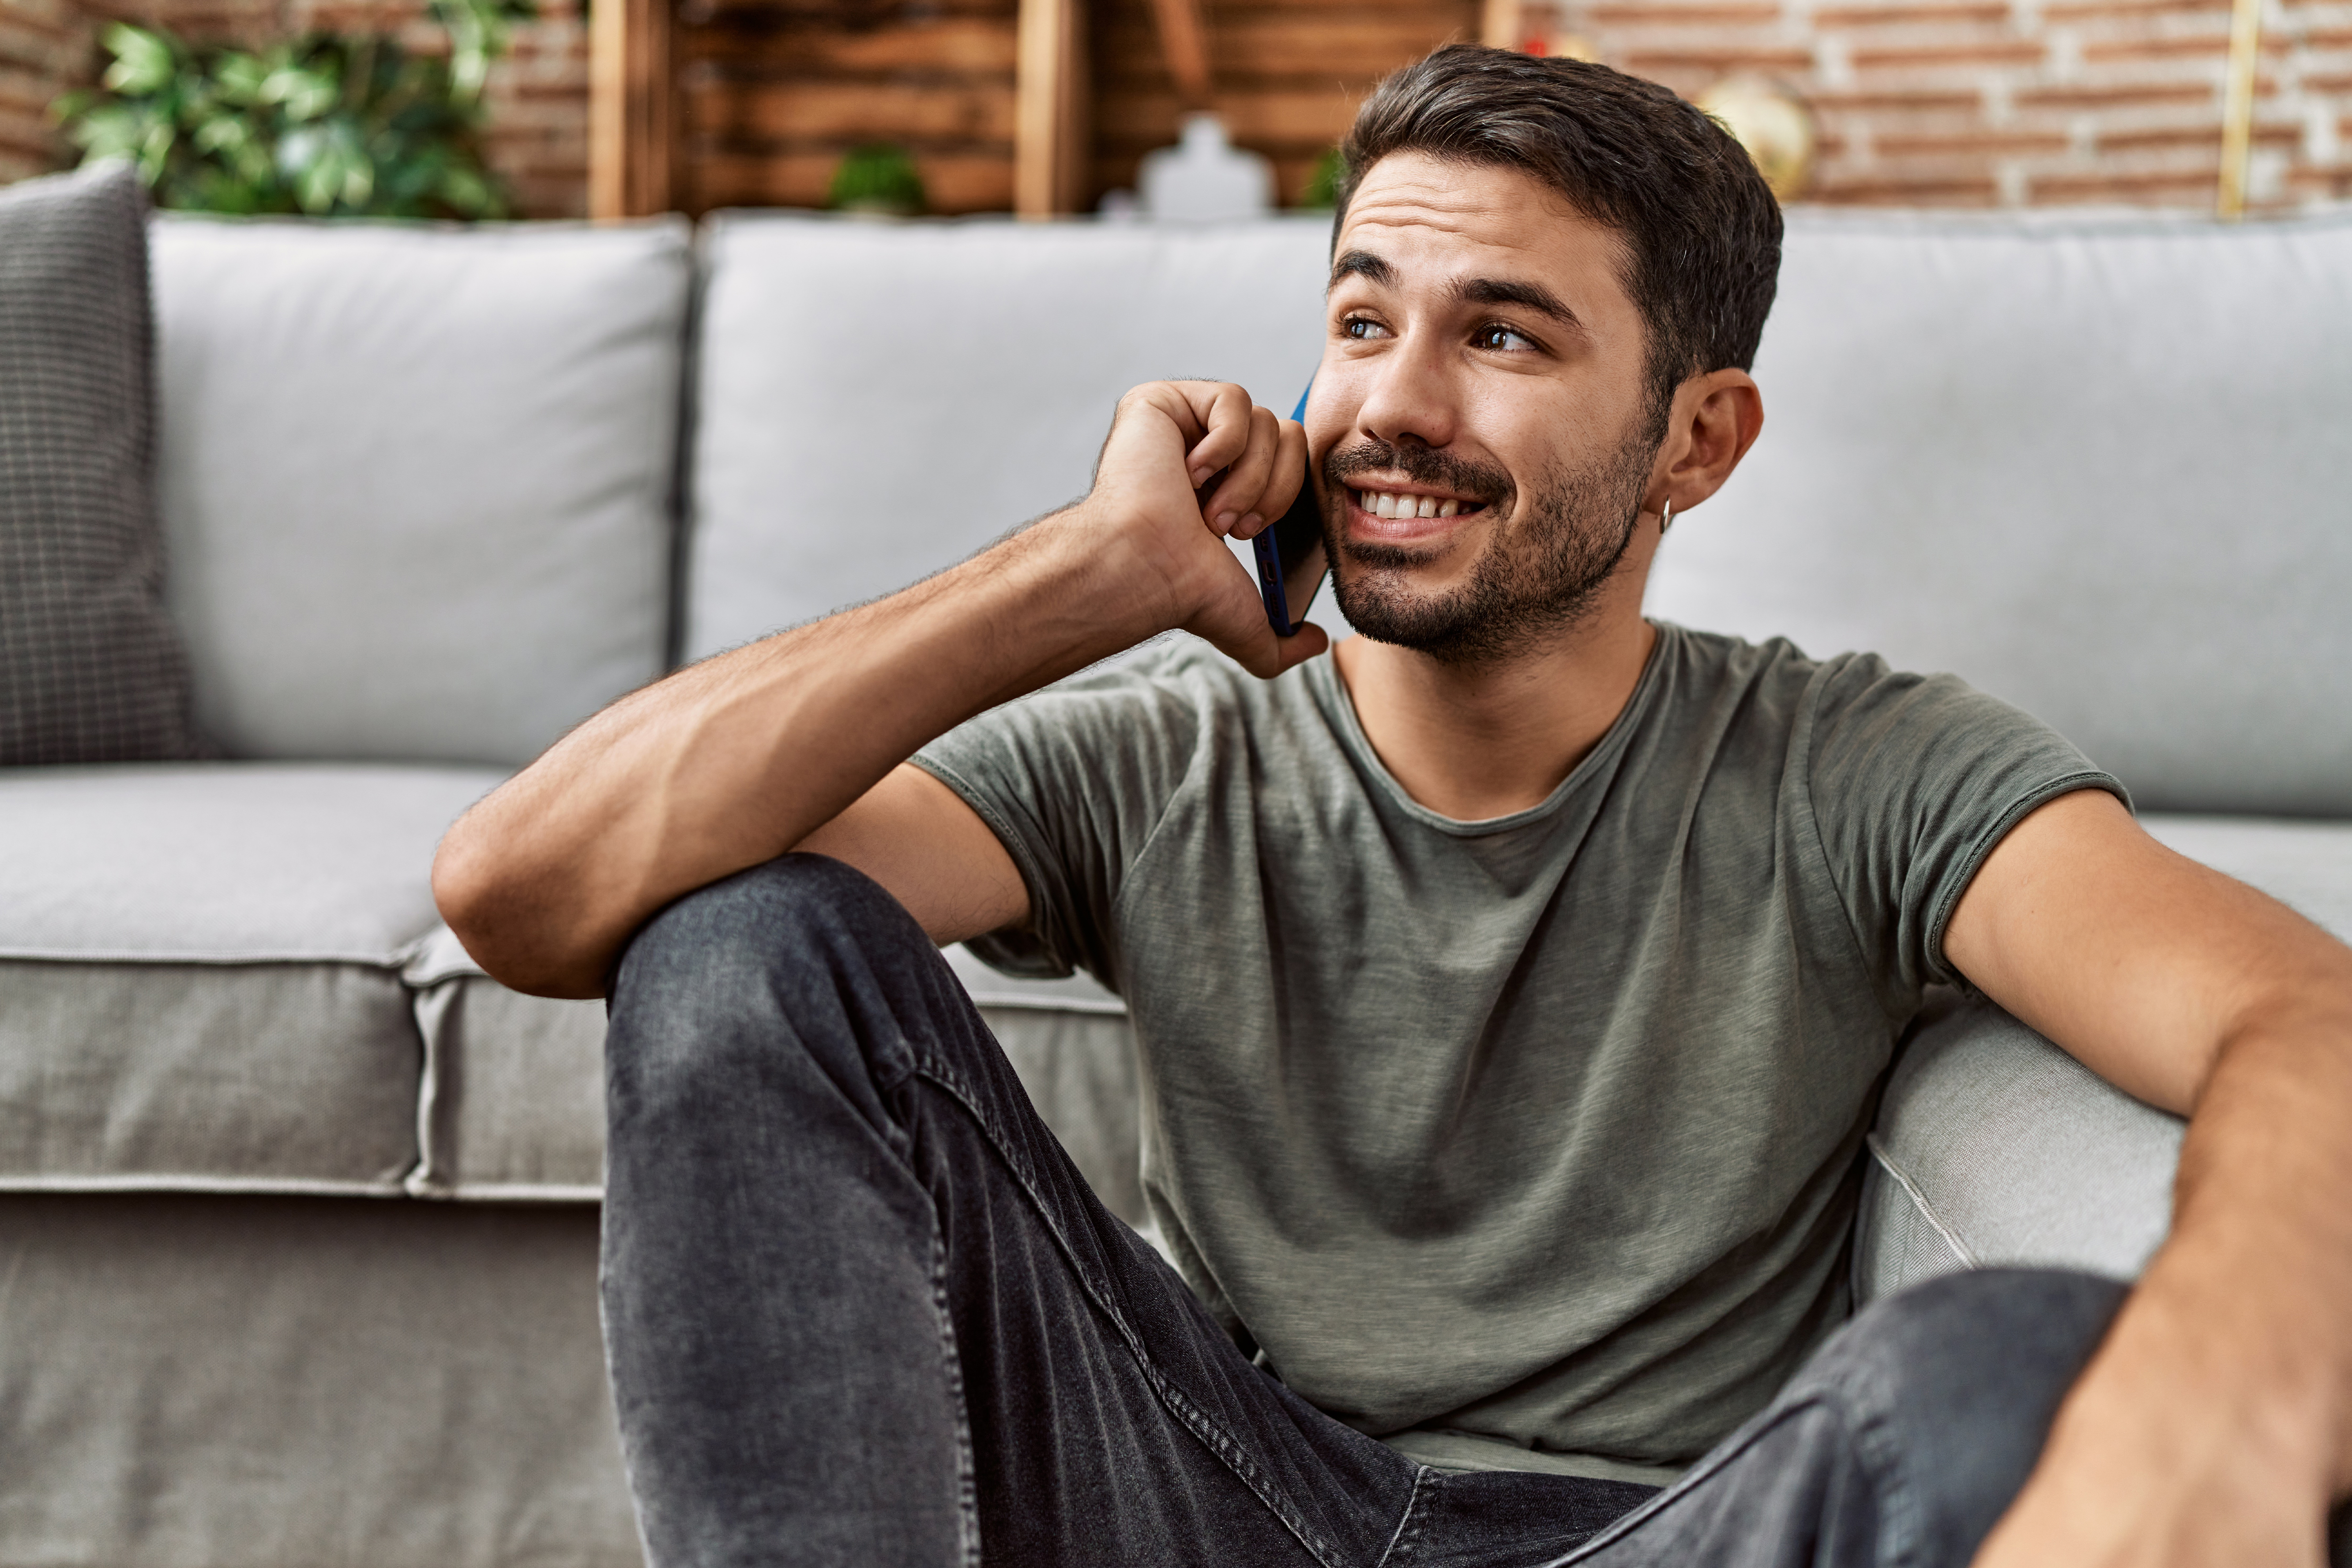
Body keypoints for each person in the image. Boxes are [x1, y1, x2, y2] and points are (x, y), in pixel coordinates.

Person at [432, 45, 2352, 1568]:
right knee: (745, 936)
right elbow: (525, 892)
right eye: (1361, 321)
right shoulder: (1164, 755)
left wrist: (2211, 1398)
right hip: (1205, 1499)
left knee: (2008, 1366)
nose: (1389, 406)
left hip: (1662, 1534)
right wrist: (1079, 577)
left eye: (1501, 335)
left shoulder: (1860, 769)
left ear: (1698, 438)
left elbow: (2305, 1021)